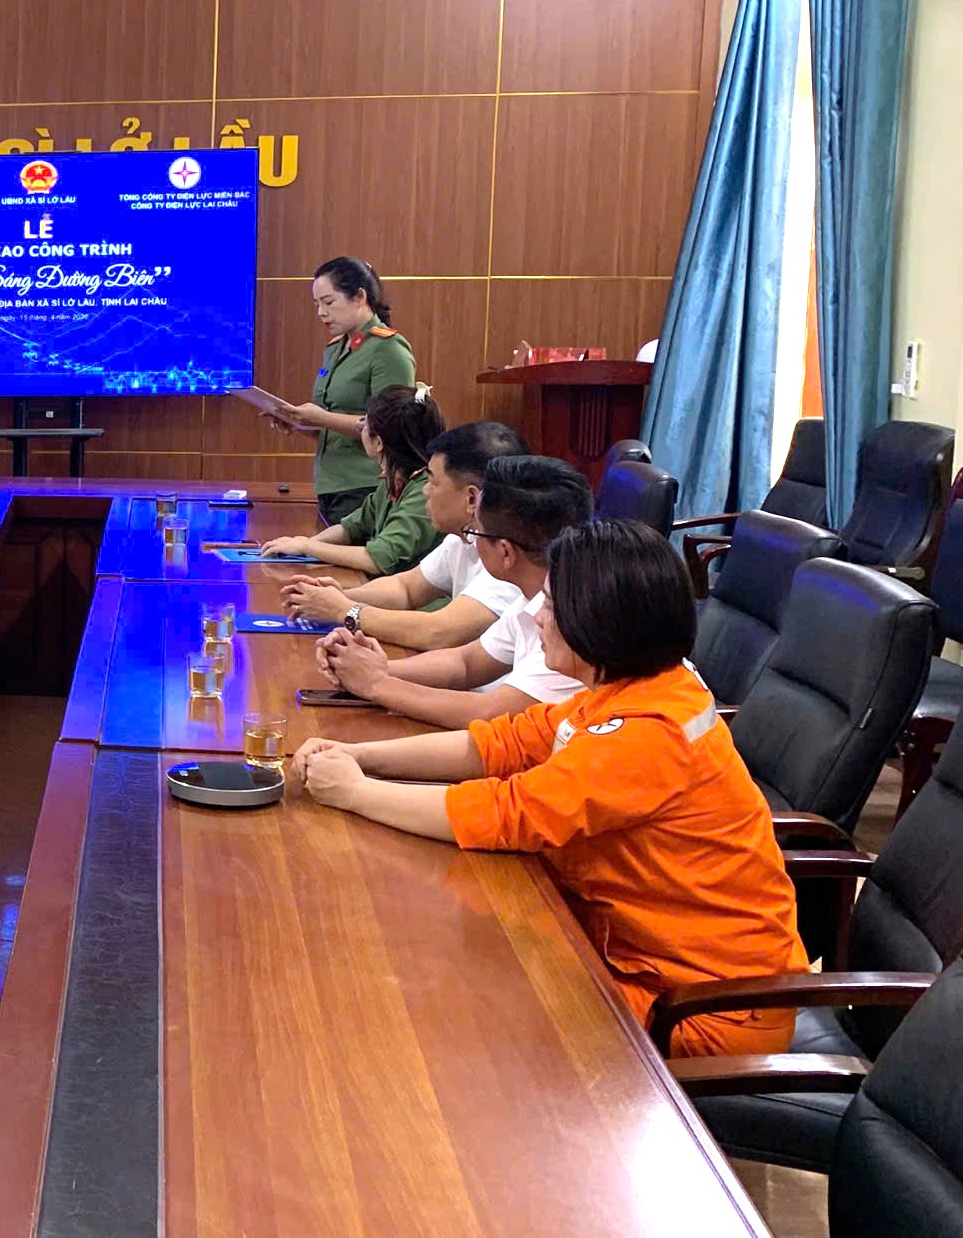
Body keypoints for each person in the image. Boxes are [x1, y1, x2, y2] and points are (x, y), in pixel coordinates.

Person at [288, 520, 808, 1058]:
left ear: (598, 622)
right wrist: (360, 756)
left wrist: (356, 793)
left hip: (702, 1007)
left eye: (553, 606)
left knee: (459, 1020)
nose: (537, 617)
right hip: (629, 951)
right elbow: (499, 744)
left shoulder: (648, 732)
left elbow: (508, 813)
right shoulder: (627, 692)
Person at [315, 455, 592, 727]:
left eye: (475, 531)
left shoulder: (573, 622)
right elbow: (465, 663)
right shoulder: (536, 593)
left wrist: (376, 683)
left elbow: (490, 714)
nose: (470, 538)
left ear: (506, 552)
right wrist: (373, 667)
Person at [280, 420, 529, 648]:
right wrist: (336, 597)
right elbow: (406, 588)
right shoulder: (464, 537)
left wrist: (344, 610)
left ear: (472, 498)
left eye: (433, 482)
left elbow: (439, 631)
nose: (425, 491)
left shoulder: (510, 558)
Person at [268, 256, 416, 526]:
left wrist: (321, 418)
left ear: (359, 297)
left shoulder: (388, 349)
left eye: (328, 302)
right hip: (329, 484)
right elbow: (334, 429)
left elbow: (391, 427)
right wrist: (298, 421)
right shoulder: (336, 348)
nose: (321, 313)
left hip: (366, 485)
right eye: (317, 304)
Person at [258, 384, 445, 575]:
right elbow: (352, 528)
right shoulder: (393, 479)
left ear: (378, 443)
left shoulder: (423, 491)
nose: (360, 426)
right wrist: (302, 544)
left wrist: (308, 547)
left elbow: (377, 559)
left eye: (365, 422)